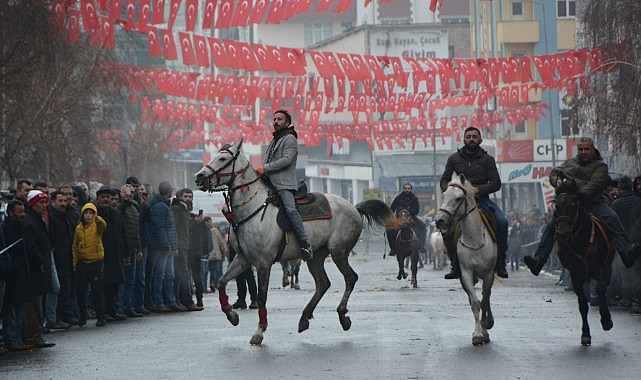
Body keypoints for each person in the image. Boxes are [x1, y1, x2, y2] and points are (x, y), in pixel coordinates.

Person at [524, 137, 641, 275]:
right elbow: (554, 173)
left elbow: (595, 185)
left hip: (593, 202)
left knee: (612, 217)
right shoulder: (570, 163)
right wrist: (558, 182)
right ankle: (539, 260)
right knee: (552, 226)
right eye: (580, 149)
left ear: (592, 150)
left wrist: (576, 192)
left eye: (586, 149)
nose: (583, 152)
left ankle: (625, 251)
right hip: (572, 205)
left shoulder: (600, 166)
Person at [440, 126, 509, 279]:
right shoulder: (454, 159)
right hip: (459, 202)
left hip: (482, 201)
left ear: (480, 140)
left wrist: (479, 190)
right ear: (464, 139)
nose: (471, 139)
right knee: (444, 224)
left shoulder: (487, 159)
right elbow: (444, 179)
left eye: (474, 137)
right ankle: (454, 263)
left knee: (502, 222)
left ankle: (501, 261)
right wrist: (450, 191)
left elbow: (496, 182)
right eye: (468, 136)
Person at [256, 109, 313, 261]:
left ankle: (304, 244)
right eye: (274, 119)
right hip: (269, 183)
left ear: (287, 123)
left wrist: (265, 168)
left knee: (290, 210)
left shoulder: (289, 138)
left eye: (279, 119)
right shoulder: (275, 139)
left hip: (284, 184)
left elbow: (287, 160)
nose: (275, 121)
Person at [22, 190, 55, 347]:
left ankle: (36, 334)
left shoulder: (37, 220)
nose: (44, 206)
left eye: (45, 202)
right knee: (34, 305)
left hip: (40, 268)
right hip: (35, 270)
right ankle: (33, 336)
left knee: (39, 302)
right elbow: (30, 246)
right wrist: (40, 260)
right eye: (40, 203)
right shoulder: (30, 222)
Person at [1, 200, 34, 351]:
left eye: (23, 212)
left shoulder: (21, 228)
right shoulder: (6, 228)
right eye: (19, 212)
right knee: (11, 310)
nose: (22, 215)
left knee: (20, 308)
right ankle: (11, 339)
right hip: (11, 275)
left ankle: (19, 338)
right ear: (11, 213)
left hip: (22, 273)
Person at [72, 202, 108, 327]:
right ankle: (82, 316)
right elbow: (75, 246)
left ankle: (101, 317)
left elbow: (104, 226)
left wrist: (99, 219)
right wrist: (75, 263)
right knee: (80, 291)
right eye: (86, 213)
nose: (88, 216)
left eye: (91, 213)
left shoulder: (97, 225)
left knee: (97, 291)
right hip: (82, 263)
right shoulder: (79, 228)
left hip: (96, 262)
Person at [148, 181, 180, 313]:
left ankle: (170, 302)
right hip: (162, 248)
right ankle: (159, 302)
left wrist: (173, 246)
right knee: (160, 275)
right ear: (170, 191)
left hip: (168, 247)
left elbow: (169, 228)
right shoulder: (161, 206)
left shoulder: (164, 205)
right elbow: (160, 228)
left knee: (169, 275)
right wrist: (167, 245)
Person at [386, 183, 427, 256]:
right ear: (403, 189)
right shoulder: (398, 198)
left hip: (410, 218)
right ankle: (393, 248)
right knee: (389, 230)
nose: (407, 190)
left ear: (411, 189)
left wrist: (408, 211)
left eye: (408, 188)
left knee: (423, 226)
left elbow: (416, 210)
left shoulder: (414, 198)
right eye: (405, 188)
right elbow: (392, 209)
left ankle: (422, 246)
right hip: (399, 219)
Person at [229, 243, 258, 310]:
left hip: (244, 255)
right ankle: (246, 300)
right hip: (242, 254)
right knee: (241, 278)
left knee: (247, 277)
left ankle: (251, 299)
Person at [205, 218, 226, 293]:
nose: (209, 223)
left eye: (210, 221)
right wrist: (224, 248)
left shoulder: (208, 230)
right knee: (214, 270)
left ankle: (211, 284)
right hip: (214, 254)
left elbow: (220, 241)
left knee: (209, 271)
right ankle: (213, 283)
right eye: (208, 221)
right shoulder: (215, 230)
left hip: (211, 254)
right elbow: (221, 241)